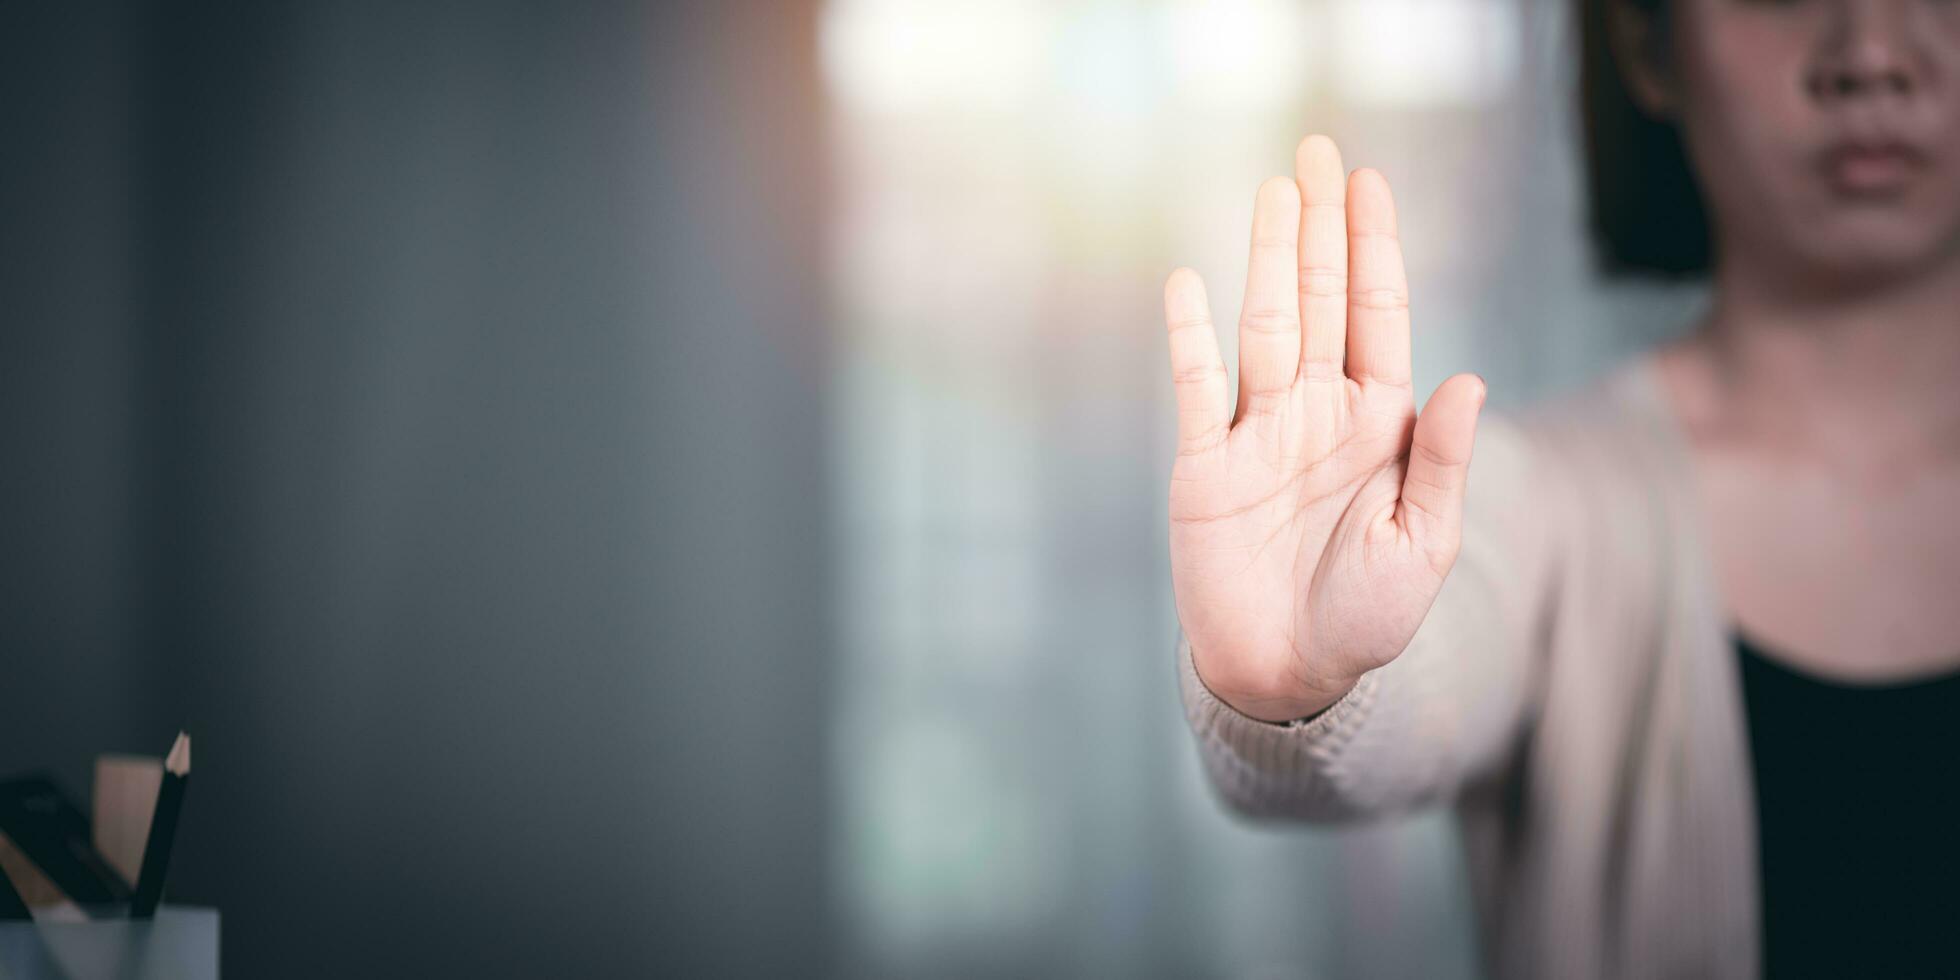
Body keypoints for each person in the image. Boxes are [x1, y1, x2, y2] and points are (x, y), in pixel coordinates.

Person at [1160, 1, 1960, 977]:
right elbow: (1418, 681)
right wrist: (1294, 686)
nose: (1869, 56)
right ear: (1645, 46)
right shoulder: (1543, 503)